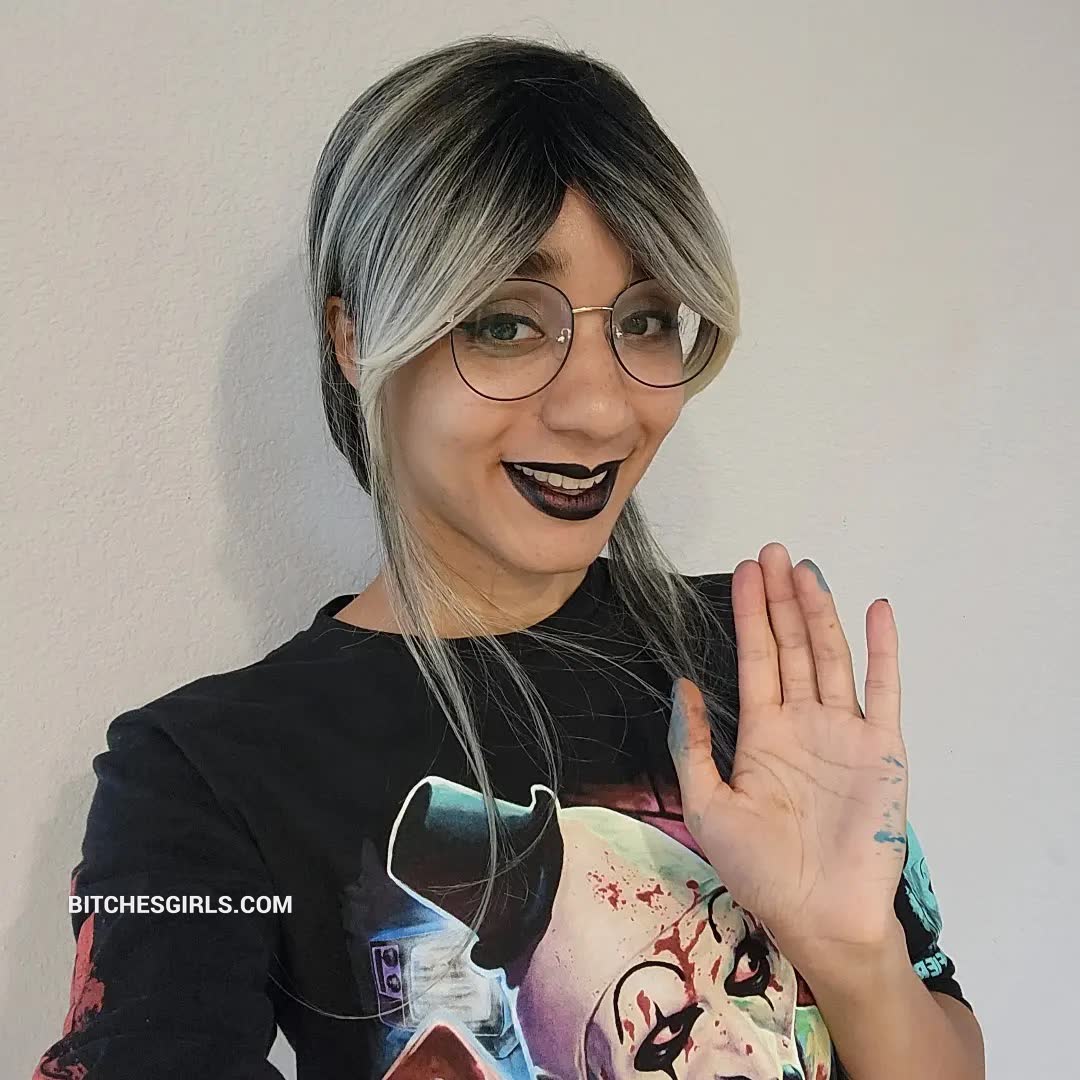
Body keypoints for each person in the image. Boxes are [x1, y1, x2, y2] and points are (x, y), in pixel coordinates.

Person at [33, 34, 985, 1080]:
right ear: (356, 339)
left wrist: (855, 959)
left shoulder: (755, 660)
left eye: (647, 318)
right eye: (503, 324)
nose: (602, 407)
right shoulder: (202, 777)